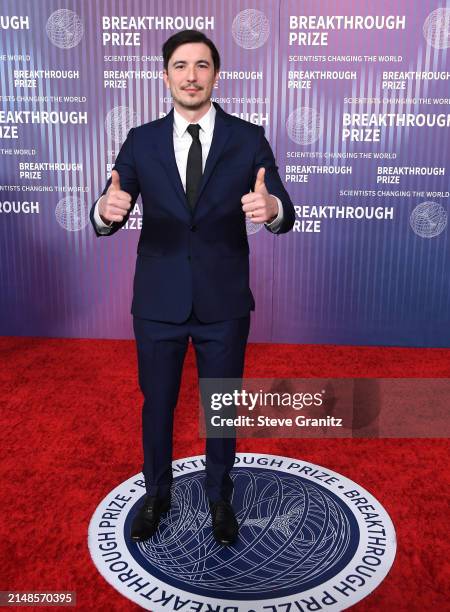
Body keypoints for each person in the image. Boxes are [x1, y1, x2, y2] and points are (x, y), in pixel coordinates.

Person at [90, 30, 295, 546]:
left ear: (216, 75)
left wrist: (272, 211)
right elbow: (115, 199)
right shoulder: (140, 139)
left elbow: (283, 206)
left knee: (220, 403)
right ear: (165, 76)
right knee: (156, 402)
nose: (191, 75)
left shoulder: (248, 137)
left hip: (223, 301)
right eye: (180, 66)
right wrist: (103, 212)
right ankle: (157, 494)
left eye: (202, 65)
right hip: (158, 301)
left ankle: (219, 497)